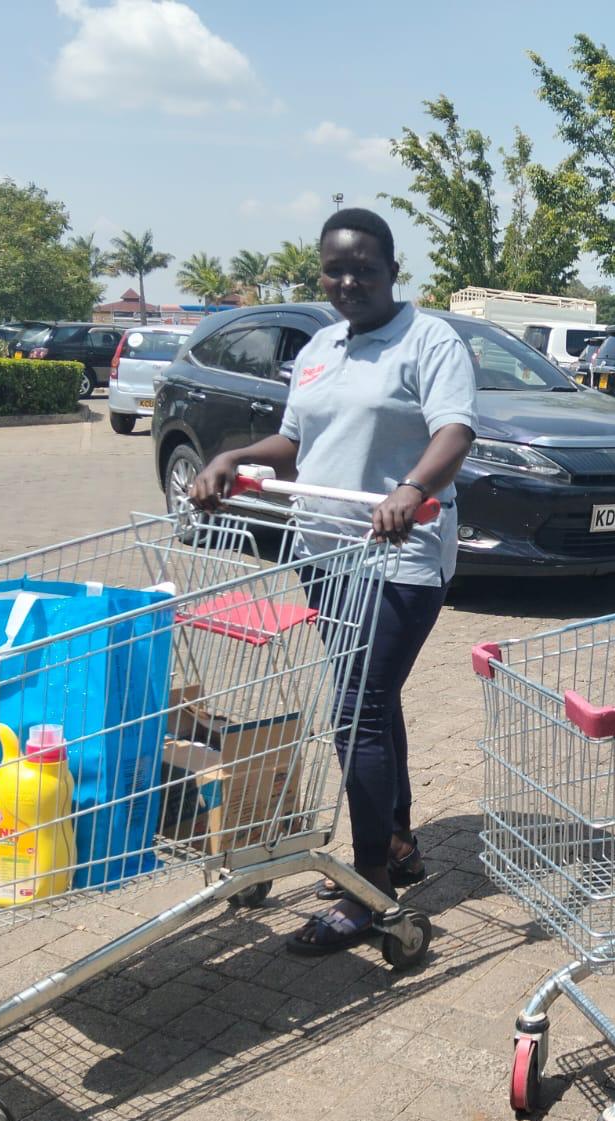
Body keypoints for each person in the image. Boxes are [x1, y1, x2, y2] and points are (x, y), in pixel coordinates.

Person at [189, 207, 476, 956]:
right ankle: (402, 840)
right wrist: (235, 457)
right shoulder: (320, 346)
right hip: (325, 554)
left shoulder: (429, 340)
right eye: (335, 268)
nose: (348, 281)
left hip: (399, 557)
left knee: (355, 713)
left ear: (392, 270)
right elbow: (297, 440)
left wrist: (411, 490)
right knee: (371, 704)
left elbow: (455, 430)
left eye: (365, 269)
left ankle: (366, 884)